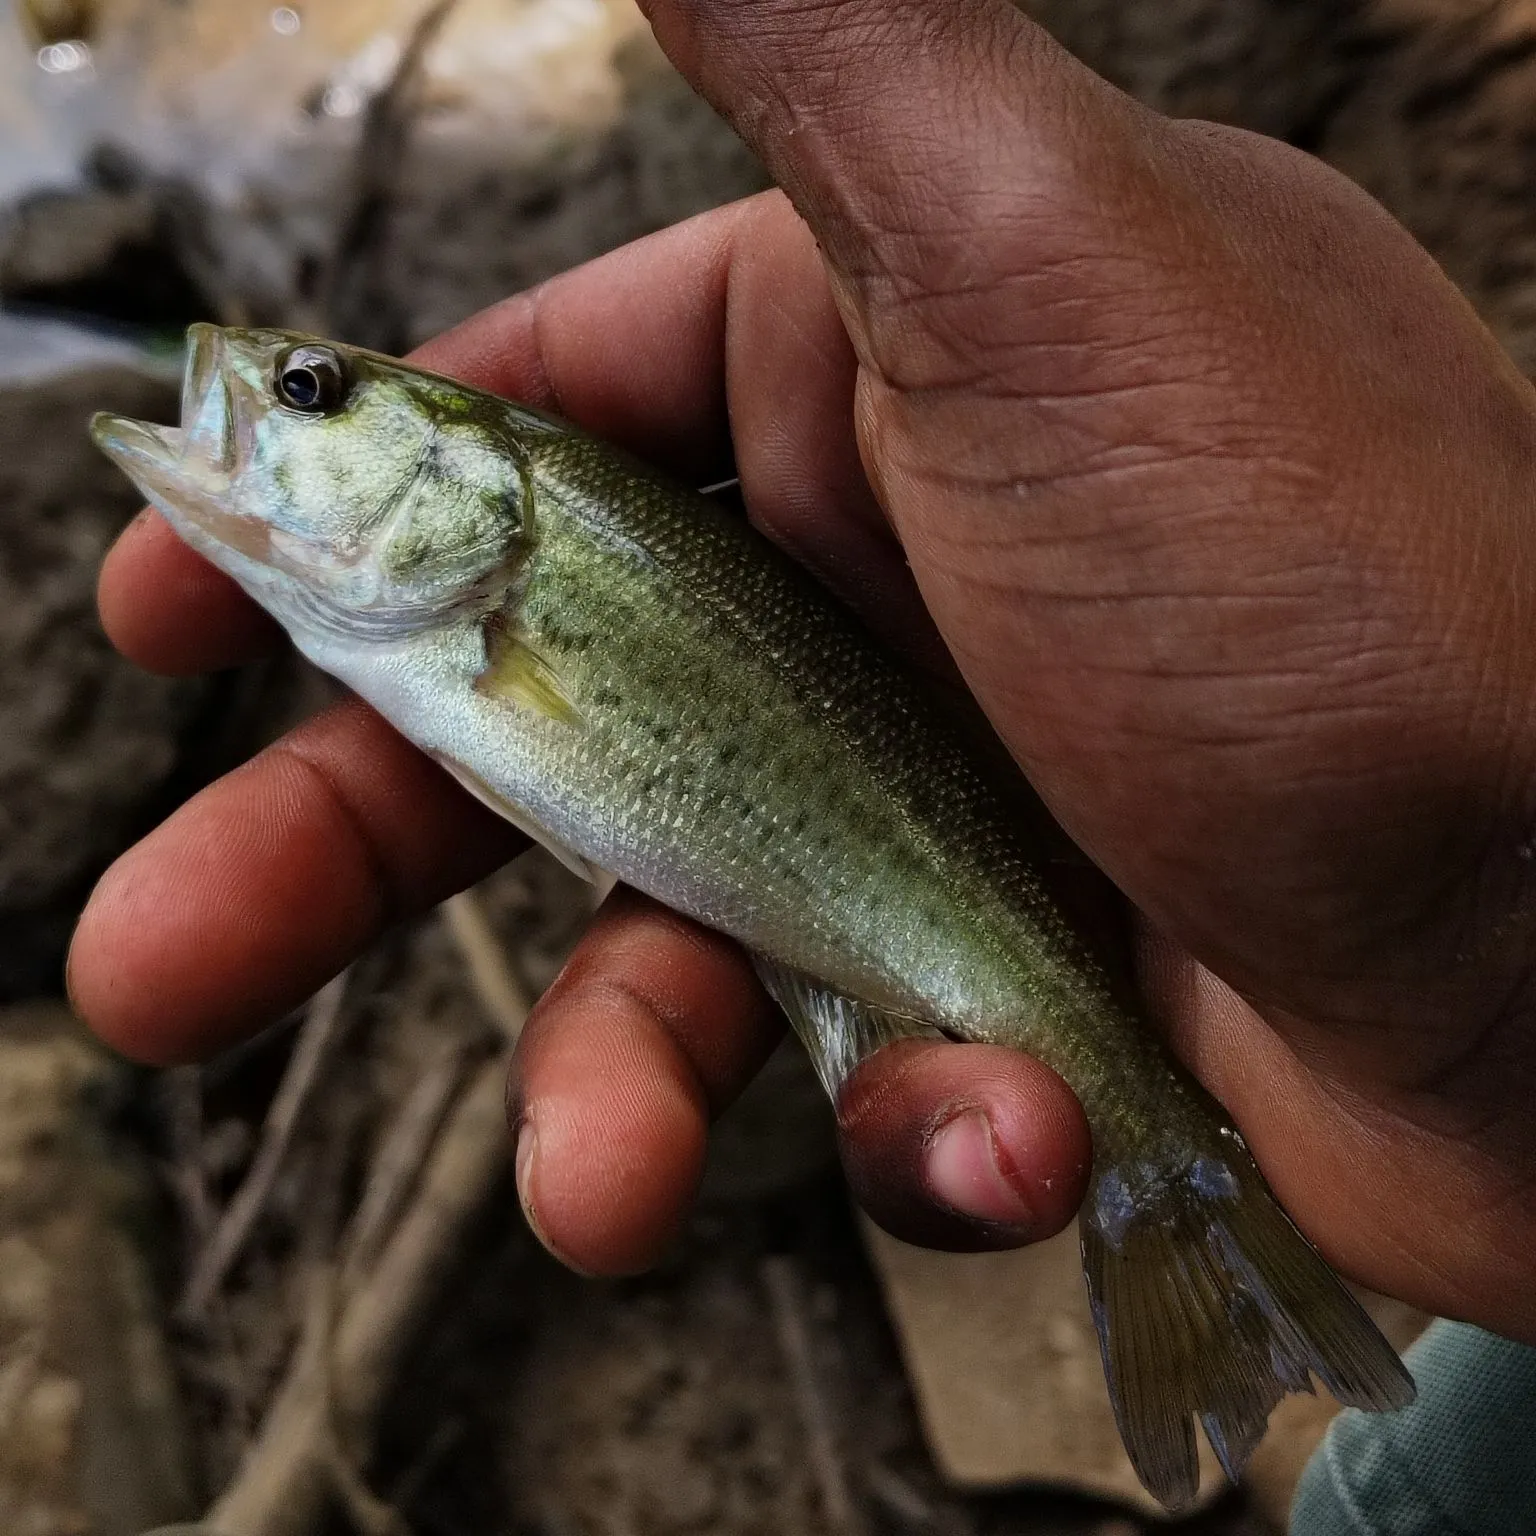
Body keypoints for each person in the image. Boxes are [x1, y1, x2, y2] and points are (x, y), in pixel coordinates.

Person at [69, 0, 1536, 1528]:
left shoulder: (498, 586)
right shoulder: (460, 603)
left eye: (312, 394)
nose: (250, 383)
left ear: (473, 503)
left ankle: (1172, 1181)